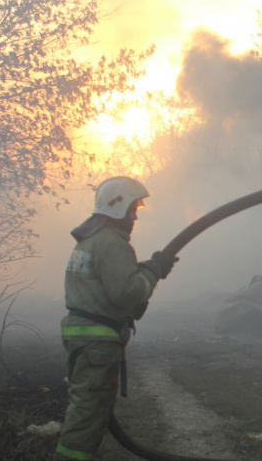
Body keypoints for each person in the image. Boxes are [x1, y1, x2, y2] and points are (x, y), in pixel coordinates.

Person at [54, 177, 177, 461]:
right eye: (133, 209)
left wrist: (148, 268)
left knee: (85, 407)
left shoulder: (91, 240)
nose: (135, 217)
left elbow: (107, 286)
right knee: (88, 415)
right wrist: (152, 272)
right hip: (98, 342)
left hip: (81, 337)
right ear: (118, 207)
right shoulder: (112, 244)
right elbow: (126, 293)